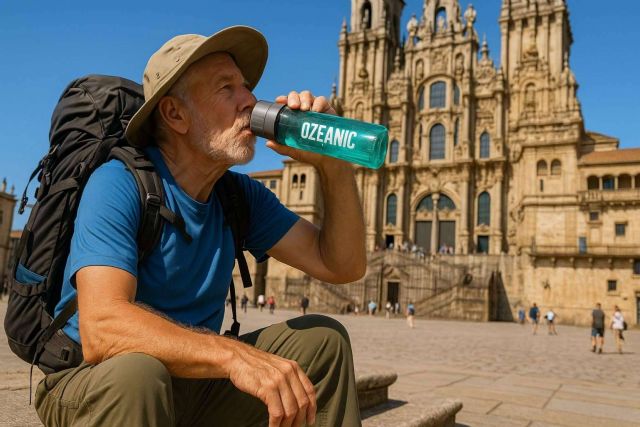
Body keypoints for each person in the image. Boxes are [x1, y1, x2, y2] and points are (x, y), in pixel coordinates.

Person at [34, 26, 366, 427]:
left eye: (246, 87)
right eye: (227, 89)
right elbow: (103, 329)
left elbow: (342, 265)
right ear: (175, 114)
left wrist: (334, 167)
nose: (250, 100)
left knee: (323, 342)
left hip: (191, 383)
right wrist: (232, 355)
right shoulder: (118, 183)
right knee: (138, 373)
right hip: (94, 382)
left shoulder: (238, 197)